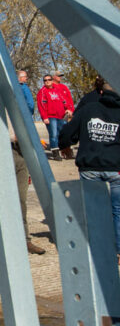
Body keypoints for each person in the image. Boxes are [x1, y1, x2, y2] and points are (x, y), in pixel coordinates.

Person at [59, 81, 120, 260]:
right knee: (118, 210)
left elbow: (68, 131)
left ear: (101, 92)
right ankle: (117, 250)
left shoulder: (88, 109)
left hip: (90, 167)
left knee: (93, 211)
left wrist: (65, 145)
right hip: (115, 168)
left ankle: (97, 249)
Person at [37, 73, 74, 160]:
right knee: (53, 134)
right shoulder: (42, 92)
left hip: (61, 116)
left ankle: (66, 151)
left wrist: (68, 109)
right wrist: (44, 117)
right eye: (45, 80)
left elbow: (64, 100)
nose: (47, 82)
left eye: (49, 80)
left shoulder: (57, 90)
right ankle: (55, 153)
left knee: (63, 133)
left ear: (52, 80)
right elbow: (41, 105)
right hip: (50, 116)